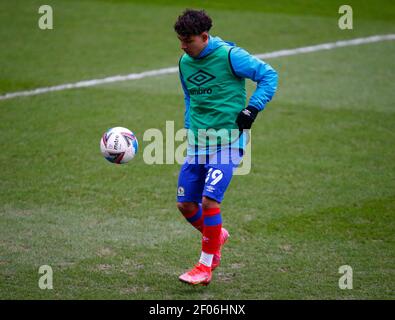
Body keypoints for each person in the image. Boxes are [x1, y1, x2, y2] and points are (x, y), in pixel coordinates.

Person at [174, 9, 278, 285]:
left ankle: (205, 267)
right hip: (198, 142)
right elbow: (189, 99)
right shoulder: (184, 62)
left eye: (189, 40)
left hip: (228, 141)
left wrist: (252, 109)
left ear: (205, 36)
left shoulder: (230, 56)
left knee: (209, 201)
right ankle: (217, 235)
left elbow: (269, 75)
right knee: (185, 204)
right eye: (181, 41)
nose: (184, 46)